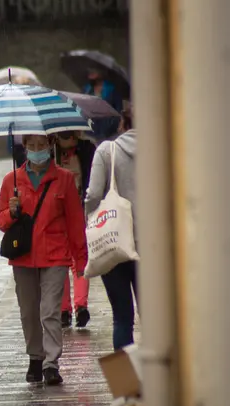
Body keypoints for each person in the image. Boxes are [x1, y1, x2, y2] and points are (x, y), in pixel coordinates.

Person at [0, 134, 88, 385]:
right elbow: (2, 222)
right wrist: (12, 211)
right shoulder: (11, 181)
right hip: (23, 257)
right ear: (24, 148)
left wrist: (80, 262)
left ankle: (51, 363)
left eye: (42, 145)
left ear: (50, 146)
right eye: (32, 146)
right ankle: (35, 357)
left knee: (50, 311)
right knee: (29, 312)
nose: (37, 150)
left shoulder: (64, 179)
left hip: (55, 255)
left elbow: (75, 222)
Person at [84, 104, 137, 350]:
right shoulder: (164, 149)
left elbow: (93, 194)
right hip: (151, 246)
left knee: (121, 319)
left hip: (113, 239)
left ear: (121, 124)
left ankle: (125, 386)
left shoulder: (107, 150)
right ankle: (159, 382)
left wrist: (91, 220)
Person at [54, 131, 97, 328]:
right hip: (56, 214)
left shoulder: (87, 150)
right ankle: (64, 309)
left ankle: (81, 306)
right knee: (60, 260)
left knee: (80, 256)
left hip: (81, 210)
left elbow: (94, 181)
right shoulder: (48, 152)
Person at [84, 68, 123, 140]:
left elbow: (119, 109)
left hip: (108, 129)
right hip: (91, 129)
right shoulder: (87, 89)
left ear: (101, 73)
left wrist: (118, 123)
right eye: (89, 72)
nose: (90, 74)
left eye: (93, 71)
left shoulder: (111, 89)